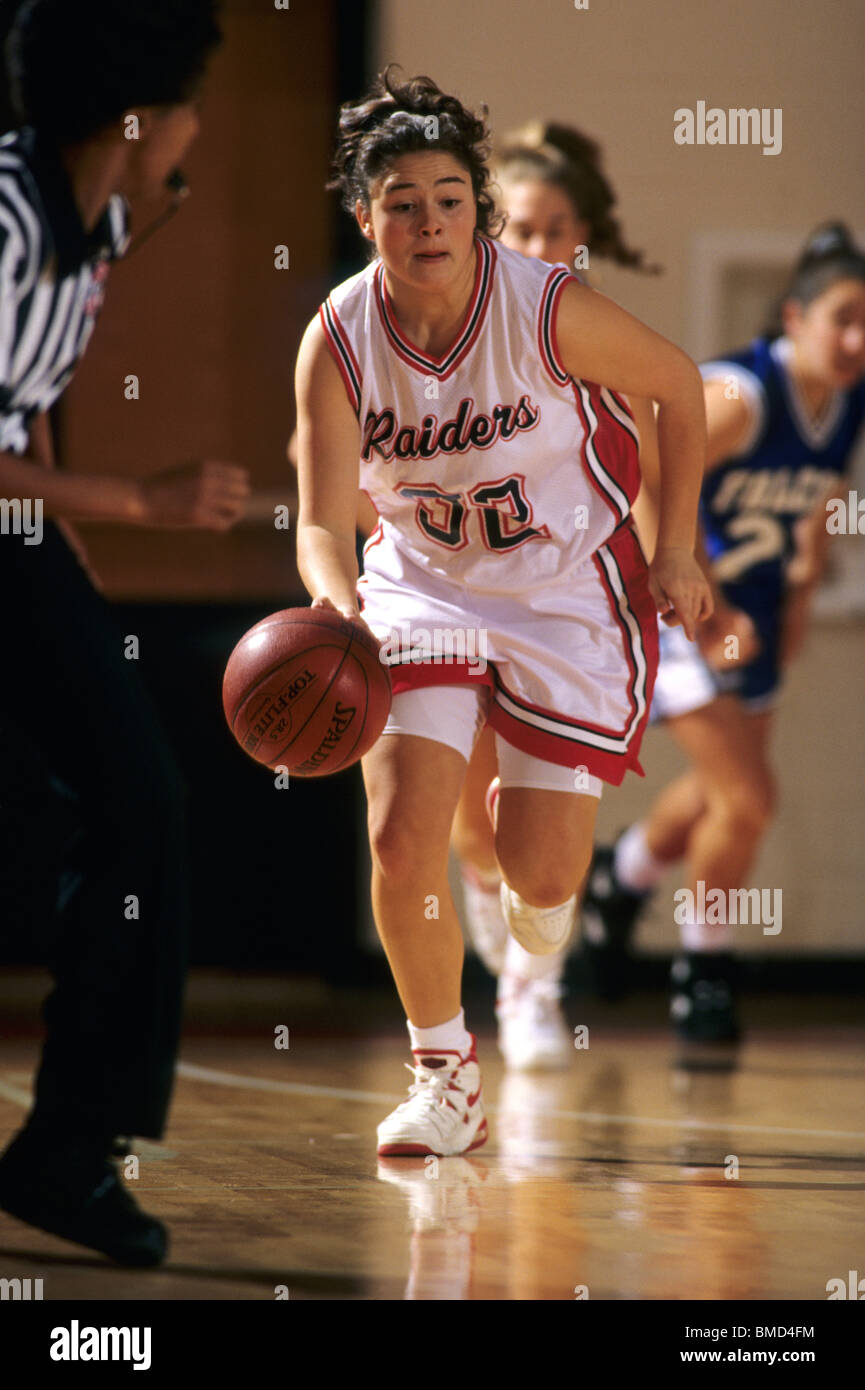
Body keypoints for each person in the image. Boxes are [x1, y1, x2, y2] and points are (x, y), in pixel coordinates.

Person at [294, 67, 711, 1158]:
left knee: (541, 875)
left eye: (447, 197)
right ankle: (443, 1072)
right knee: (399, 835)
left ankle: (528, 921)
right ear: (362, 215)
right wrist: (338, 611)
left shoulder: (541, 304)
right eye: (400, 201)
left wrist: (678, 545)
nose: (427, 220)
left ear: (475, 208)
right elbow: (320, 522)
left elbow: (675, 381)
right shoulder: (337, 337)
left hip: (565, 586)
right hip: (421, 586)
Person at [0, 0, 249, 1266]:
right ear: (138, 115)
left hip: (15, 545)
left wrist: (67, 533)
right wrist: (138, 502)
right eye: (192, 99)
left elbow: (22, 406)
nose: (201, 124)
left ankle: (69, 1148)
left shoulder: (97, 220)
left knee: (141, 808)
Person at [581, 223, 865, 1048]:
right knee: (750, 798)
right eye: (843, 317)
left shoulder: (847, 399)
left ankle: (622, 875)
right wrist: (685, 573)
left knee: (720, 794)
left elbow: (818, 492)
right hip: (684, 603)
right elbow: (643, 467)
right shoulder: (741, 397)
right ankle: (703, 974)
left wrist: (806, 586)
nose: (857, 339)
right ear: (793, 317)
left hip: (759, 612)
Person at [450, 119, 663, 1070]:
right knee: (466, 820)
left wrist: (668, 577)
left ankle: (531, 988)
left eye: (555, 230)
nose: (538, 247)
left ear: (584, 238)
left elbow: (648, 475)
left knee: (542, 811)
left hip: (566, 599)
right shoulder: (440, 327)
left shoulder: (599, 338)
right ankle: (505, 955)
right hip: (452, 591)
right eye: (521, 228)